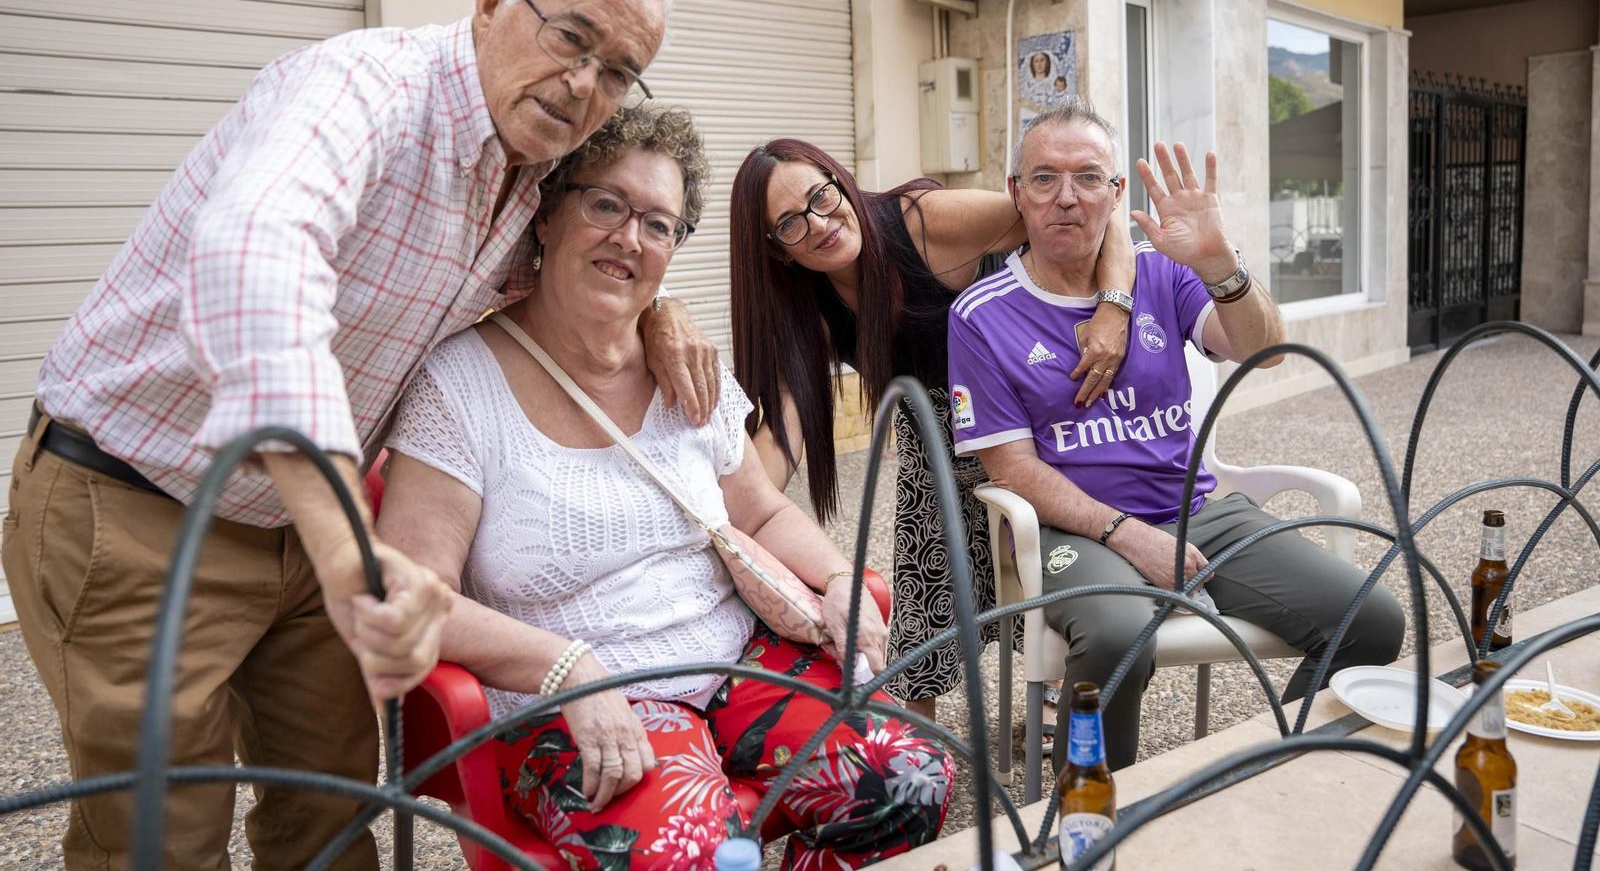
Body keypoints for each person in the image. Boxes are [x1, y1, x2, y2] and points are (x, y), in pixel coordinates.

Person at [4, 0, 723, 871]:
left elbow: (578, 269)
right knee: (163, 835)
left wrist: (656, 313)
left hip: (302, 530)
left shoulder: (530, 174)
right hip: (136, 499)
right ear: (490, 1)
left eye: (620, 70)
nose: (585, 85)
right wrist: (348, 542)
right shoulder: (363, 89)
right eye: (570, 38)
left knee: (334, 815)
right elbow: (255, 253)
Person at [379, 106, 953, 870]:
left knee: (909, 779)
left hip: (737, 662)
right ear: (547, 213)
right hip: (577, 700)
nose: (630, 239)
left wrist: (841, 576)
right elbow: (410, 589)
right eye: (607, 204)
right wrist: (565, 665)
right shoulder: (458, 385)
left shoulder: (688, 369)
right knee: (692, 851)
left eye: (659, 223)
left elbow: (759, 509)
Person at [948, 98, 1404, 772]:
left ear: (1116, 191)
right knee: (1117, 635)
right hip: (1074, 534)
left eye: (1088, 178)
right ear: (1017, 193)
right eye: (1044, 178)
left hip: (1196, 514)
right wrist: (1129, 536)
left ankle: (1285, 772)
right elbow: (1012, 469)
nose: (1066, 198)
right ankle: (1098, 813)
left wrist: (1220, 262)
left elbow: (1266, 351)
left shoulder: (1161, 270)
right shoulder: (982, 315)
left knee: (1373, 619)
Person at [729, 141, 1136, 732]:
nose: (819, 223)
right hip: (933, 436)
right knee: (926, 577)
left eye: (822, 196)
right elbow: (784, 430)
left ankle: (1062, 697)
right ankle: (912, 742)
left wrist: (1114, 307)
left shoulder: (920, 221)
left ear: (841, 183)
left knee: (1045, 560)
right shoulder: (807, 303)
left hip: (1027, 413)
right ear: (776, 250)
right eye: (791, 223)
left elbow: (1089, 215)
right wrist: (729, 517)